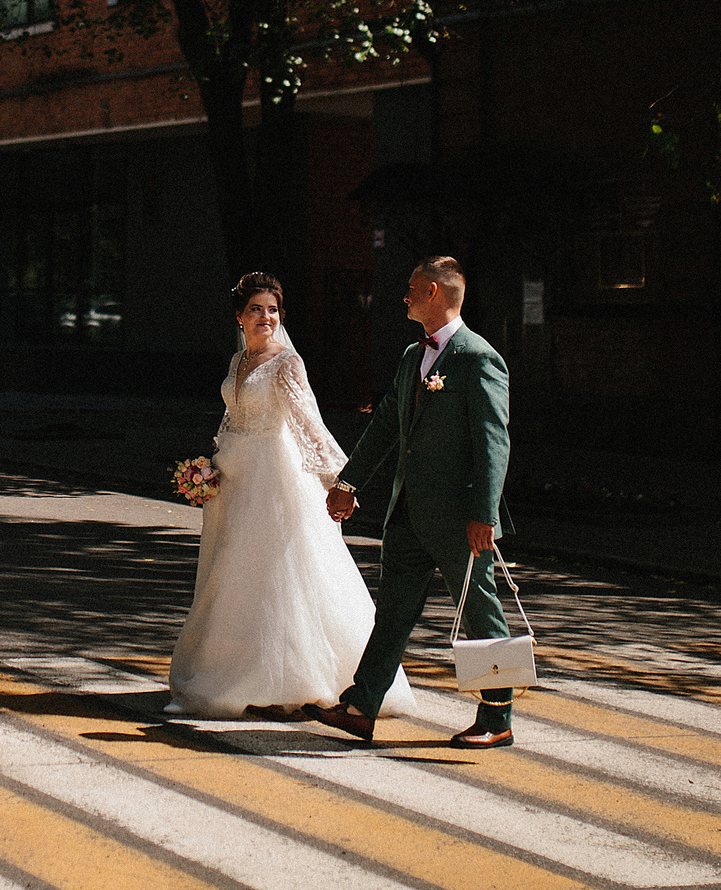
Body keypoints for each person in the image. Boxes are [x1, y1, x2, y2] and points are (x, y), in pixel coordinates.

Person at [167, 271, 411, 719]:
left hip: (274, 480)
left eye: (273, 310)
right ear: (239, 317)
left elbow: (308, 424)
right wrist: (209, 468)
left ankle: (294, 684)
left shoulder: (286, 363)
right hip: (234, 479)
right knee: (235, 577)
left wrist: (340, 480)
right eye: (256, 309)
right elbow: (231, 419)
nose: (266, 317)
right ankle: (243, 674)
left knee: (276, 577)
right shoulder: (237, 362)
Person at [307, 253, 517, 748]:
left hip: (458, 519)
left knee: (480, 614)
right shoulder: (412, 356)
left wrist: (484, 514)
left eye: (411, 287)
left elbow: (494, 442)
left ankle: (497, 717)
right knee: (393, 613)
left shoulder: (478, 358)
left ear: (433, 293)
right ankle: (361, 708)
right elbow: (384, 425)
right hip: (407, 515)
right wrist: (348, 482)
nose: (402, 295)